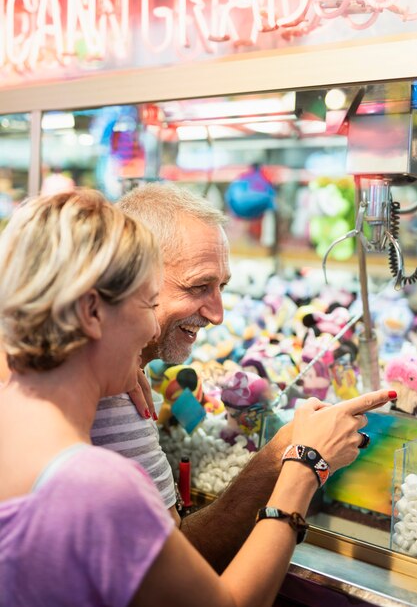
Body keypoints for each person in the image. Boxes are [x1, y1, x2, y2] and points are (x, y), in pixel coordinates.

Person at [0, 189, 397, 607]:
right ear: (91, 312)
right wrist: (302, 465)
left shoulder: (19, 413)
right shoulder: (100, 487)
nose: (148, 331)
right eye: (146, 302)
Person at [89, 183, 389, 572]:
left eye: (222, 287)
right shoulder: (109, 397)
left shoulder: (126, 377)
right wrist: (299, 461)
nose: (218, 315)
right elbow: (182, 575)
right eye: (199, 286)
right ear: (128, 280)